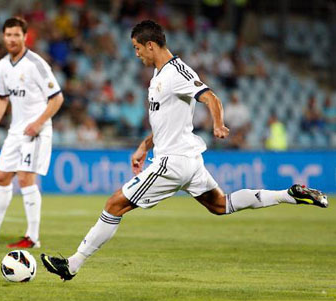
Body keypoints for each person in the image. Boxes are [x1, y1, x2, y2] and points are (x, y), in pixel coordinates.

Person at [40, 20, 329, 280]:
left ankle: (73, 264)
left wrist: (218, 123)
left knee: (114, 205)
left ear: (150, 45)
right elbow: (167, 122)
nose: (136, 53)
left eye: (137, 48)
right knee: (221, 205)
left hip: (173, 163)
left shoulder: (177, 72)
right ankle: (288, 194)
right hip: (188, 159)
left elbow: (211, 97)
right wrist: (144, 145)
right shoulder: (158, 77)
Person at [0, 17, 64, 248]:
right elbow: (1, 98)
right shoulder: (2, 66)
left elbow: (57, 98)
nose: (12, 39)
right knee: (1, 177)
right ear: (3, 37)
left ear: (25, 37)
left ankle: (32, 237)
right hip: (15, 131)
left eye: (16, 35)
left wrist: (38, 123)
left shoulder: (36, 64)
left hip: (36, 132)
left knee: (26, 178)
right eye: (8, 35)